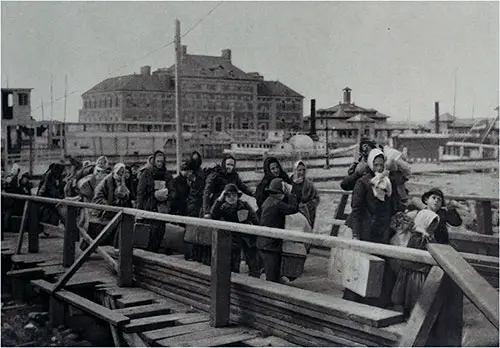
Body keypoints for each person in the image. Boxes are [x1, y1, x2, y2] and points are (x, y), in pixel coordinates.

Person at [344, 148, 396, 308]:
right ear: (370, 165)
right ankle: (357, 299)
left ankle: (380, 301)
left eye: (382, 165)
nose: (379, 168)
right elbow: (356, 209)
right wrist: (356, 233)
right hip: (366, 229)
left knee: (382, 264)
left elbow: (390, 206)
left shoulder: (387, 182)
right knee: (363, 264)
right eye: (376, 165)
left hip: (382, 230)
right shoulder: (363, 183)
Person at [391, 209, 440, 317]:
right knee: (413, 296)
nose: (432, 228)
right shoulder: (418, 237)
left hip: (420, 270)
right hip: (415, 272)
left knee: (416, 297)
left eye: (434, 226)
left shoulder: (426, 236)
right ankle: (410, 316)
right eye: (431, 225)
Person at [210, 183, 261, 277]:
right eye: (228, 196)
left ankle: (255, 280)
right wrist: (219, 200)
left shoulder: (244, 205)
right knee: (234, 263)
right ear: (224, 197)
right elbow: (213, 215)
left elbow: (255, 219)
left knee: (253, 262)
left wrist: (255, 231)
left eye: (234, 195)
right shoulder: (222, 207)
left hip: (246, 236)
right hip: (232, 238)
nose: (232, 198)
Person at [257, 178, 298, 282]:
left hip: (264, 242)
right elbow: (293, 208)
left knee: (269, 270)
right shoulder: (277, 204)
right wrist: (291, 194)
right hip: (271, 244)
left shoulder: (268, 201)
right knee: (272, 275)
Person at [136, 150, 175, 252]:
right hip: (149, 207)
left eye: (161, 161)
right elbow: (140, 193)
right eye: (158, 161)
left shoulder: (167, 175)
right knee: (148, 234)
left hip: (162, 209)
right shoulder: (146, 174)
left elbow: (173, 192)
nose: (159, 164)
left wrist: (166, 196)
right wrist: (138, 211)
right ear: (154, 161)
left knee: (159, 233)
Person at [203, 154, 254, 218]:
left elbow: (243, 187)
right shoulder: (215, 175)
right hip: (218, 204)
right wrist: (206, 211)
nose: (230, 167)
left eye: (232, 165)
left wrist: (254, 193)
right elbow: (206, 193)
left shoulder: (234, 176)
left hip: (231, 203)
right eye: (228, 164)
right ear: (224, 164)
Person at [184, 151, 207, 261]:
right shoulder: (198, 174)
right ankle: (194, 254)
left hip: (193, 204)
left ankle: (192, 254)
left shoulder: (191, 174)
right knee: (195, 230)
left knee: (193, 230)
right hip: (195, 204)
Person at [289, 160, 320, 229]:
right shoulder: (288, 182)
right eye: (299, 170)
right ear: (295, 170)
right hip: (292, 214)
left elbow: (316, 198)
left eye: (304, 170)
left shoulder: (309, 184)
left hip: (307, 214)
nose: (302, 172)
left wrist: (308, 205)